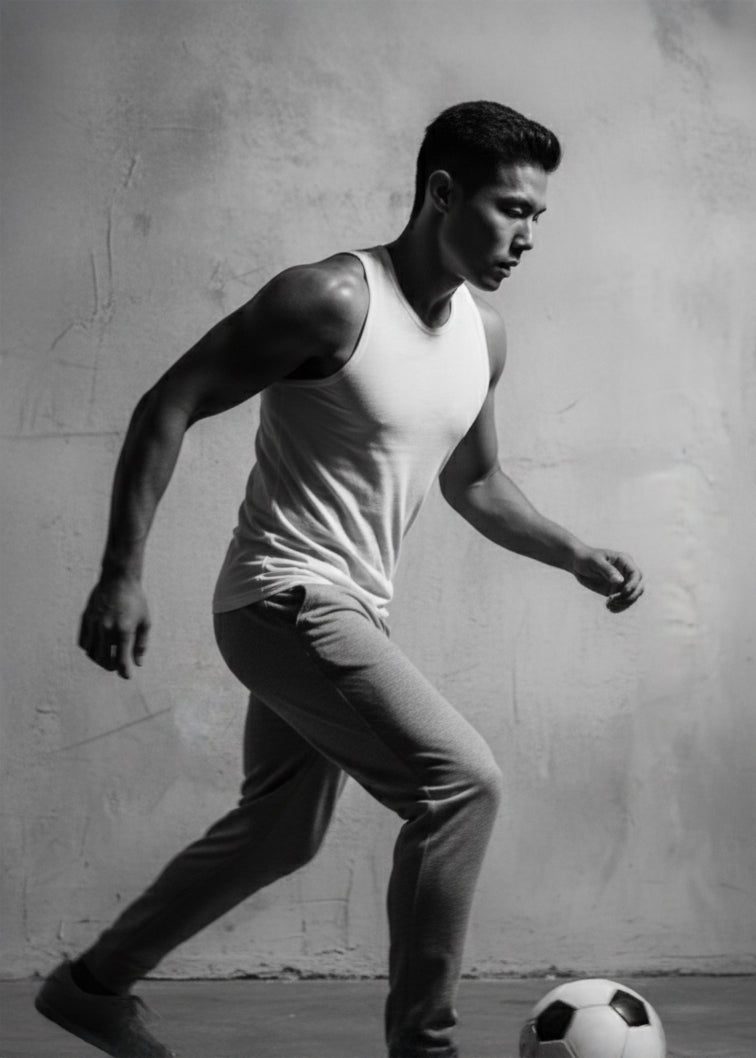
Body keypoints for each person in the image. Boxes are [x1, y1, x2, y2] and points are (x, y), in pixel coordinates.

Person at [34, 100, 644, 1058]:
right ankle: (425, 1048)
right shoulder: (330, 299)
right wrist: (121, 573)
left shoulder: (483, 336)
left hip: (349, 611)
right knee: (461, 786)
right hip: (283, 597)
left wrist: (574, 553)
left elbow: (476, 481)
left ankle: (91, 989)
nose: (526, 238)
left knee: (281, 832)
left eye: (537, 218)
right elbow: (173, 399)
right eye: (509, 210)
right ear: (442, 193)